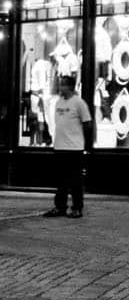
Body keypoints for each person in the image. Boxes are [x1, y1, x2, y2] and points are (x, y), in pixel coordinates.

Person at [43, 75, 92, 218]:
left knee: (76, 180)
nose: (60, 87)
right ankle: (60, 207)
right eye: (60, 84)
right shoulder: (58, 102)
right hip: (59, 147)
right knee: (61, 180)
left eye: (63, 85)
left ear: (70, 87)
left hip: (74, 148)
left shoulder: (79, 103)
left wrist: (81, 140)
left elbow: (87, 123)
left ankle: (77, 208)